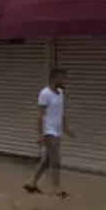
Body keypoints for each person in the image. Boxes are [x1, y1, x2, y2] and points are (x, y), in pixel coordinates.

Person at [24, 68, 74, 199]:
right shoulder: (45, 94)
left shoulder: (61, 93)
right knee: (56, 161)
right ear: (55, 78)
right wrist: (40, 134)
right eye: (62, 78)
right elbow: (40, 116)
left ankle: (31, 183)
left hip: (57, 131)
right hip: (48, 131)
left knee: (46, 161)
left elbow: (61, 112)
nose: (64, 81)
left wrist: (66, 128)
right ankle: (57, 189)